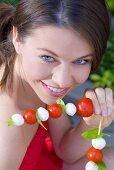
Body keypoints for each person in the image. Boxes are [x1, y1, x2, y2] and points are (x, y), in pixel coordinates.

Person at [0, 0, 114, 170]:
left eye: (81, 60)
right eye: (48, 57)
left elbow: (64, 150)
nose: (62, 81)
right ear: (16, 37)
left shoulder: (34, 84)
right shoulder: (6, 138)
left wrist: (93, 122)